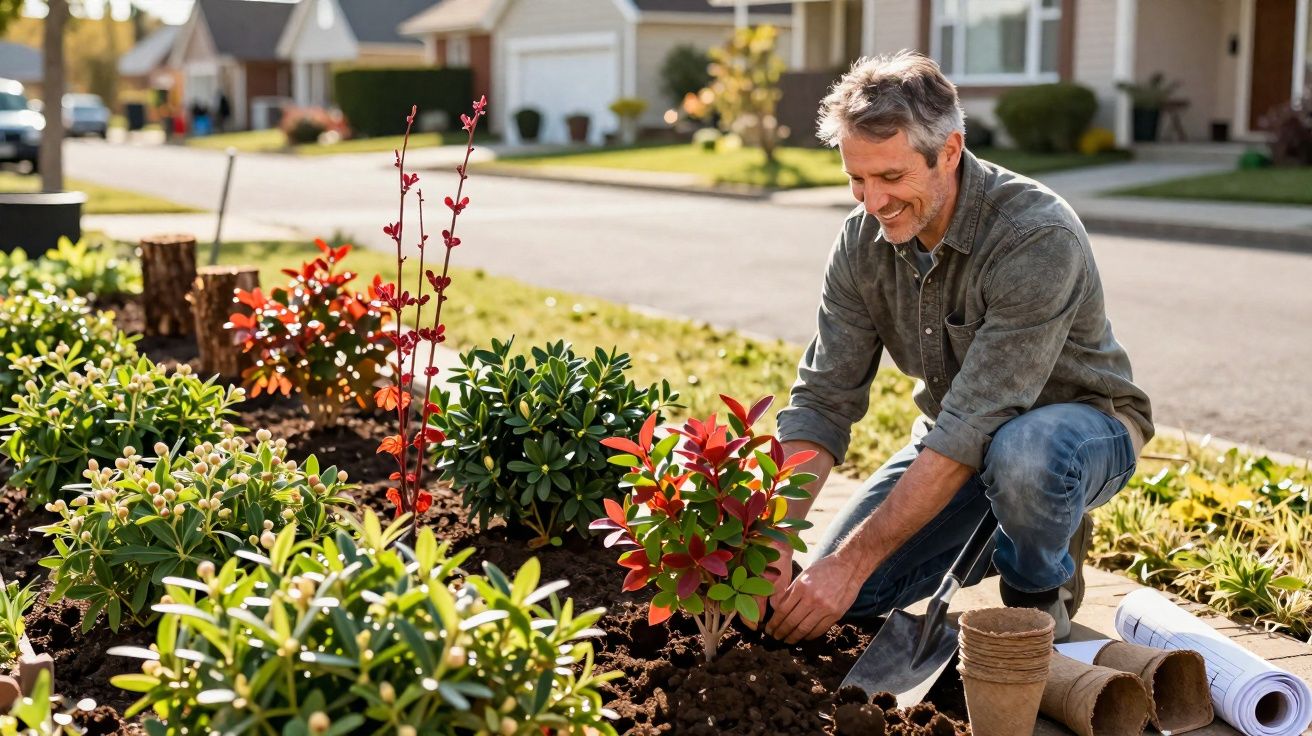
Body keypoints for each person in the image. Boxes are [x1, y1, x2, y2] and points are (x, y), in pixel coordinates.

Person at [762, 51, 1153, 644]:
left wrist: (853, 558)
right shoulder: (861, 240)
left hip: (1078, 433)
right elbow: (823, 399)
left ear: (949, 151)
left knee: (1025, 458)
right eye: (856, 179)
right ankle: (1013, 528)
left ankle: (1036, 589)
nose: (872, 202)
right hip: (957, 438)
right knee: (848, 594)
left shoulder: (1035, 235)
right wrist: (774, 537)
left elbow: (976, 423)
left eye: (891, 178)